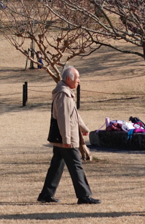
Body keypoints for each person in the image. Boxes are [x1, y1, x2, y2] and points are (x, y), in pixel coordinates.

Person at [38, 66, 100, 205]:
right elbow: (64, 118)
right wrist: (66, 139)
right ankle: (84, 196)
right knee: (76, 166)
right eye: (77, 78)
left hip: (64, 138)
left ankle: (46, 194)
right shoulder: (63, 95)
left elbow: (74, 115)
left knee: (56, 166)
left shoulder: (66, 93)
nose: (79, 81)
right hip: (66, 138)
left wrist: (83, 127)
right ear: (68, 79)